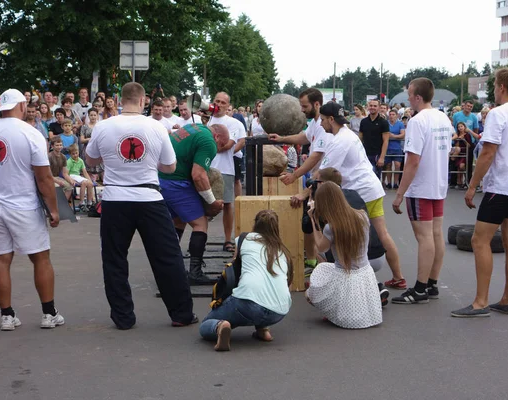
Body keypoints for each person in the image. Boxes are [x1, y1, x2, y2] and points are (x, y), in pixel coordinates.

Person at [85, 82, 196, 329]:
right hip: (148, 197)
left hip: (115, 198)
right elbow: (170, 167)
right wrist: (149, 162)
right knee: (167, 257)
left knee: (114, 259)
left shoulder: (103, 126)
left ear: (120, 99)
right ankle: (181, 313)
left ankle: (123, 317)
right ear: (144, 100)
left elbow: (91, 160)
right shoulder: (156, 127)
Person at [0, 89, 64, 331]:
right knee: (41, 258)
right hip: (23, 205)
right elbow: (44, 178)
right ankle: (48, 313)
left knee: (1, 259)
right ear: (21, 106)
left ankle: (7, 315)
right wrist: (53, 209)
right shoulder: (30, 133)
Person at [451, 68, 508, 318]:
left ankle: (480, 302)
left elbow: (488, 152)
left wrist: (473, 185)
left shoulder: (499, 114)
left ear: (501, 87)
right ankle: (507, 299)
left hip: (501, 186)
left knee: (479, 240)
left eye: (495, 85)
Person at [318, 102, 407, 290]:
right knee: (382, 234)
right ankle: (398, 277)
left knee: (353, 238)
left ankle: (364, 283)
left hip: (361, 192)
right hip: (371, 187)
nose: (321, 124)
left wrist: (304, 193)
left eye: (323, 120)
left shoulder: (339, 140)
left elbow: (323, 173)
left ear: (331, 119)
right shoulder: (348, 134)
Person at [391, 78, 452, 305]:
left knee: (424, 238)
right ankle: (431, 283)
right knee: (436, 235)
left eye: (409, 94)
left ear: (418, 97)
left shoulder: (417, 122)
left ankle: (419, 289)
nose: (408, 98)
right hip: (438, 185)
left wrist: (400, 193)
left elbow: (413, 161)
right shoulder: (443, 118)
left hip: (421, 187)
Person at [199, 210, 293, 351]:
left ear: (255, 224)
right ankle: (263, 330)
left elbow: (235, 269)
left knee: (205, 325)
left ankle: (220, 326)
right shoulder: (282, 251)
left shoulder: (243, 239)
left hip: (247, 305)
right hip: (279, 311)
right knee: (264, 290)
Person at [268, 88, 331, 272]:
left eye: (304, 106)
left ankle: (328, 264)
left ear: (317, 104)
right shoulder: (315, 122)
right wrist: (282, 138)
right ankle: (312, 261)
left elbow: (315, 156)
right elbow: (304, 137)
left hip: (324, 181)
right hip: (316, 179)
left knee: (322, 225)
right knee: (310, 222)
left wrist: (294, 175)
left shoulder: (323, 125)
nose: (302, 110)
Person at [305, 182, 383, 329]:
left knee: (312, 289)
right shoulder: (362, 216)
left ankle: (333, 310)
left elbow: (320, 247)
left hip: (343, 275)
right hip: (365, 273)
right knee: (326, 270)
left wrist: (313, 219)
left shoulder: (331, 227)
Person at [159, 123, 228, 285]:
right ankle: (195, 273)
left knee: (178, 220)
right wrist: (212, 202)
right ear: (217, 136)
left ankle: (169, 270)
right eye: (221, 145)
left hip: (162, 178)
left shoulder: (193, 127)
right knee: (200, 224)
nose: (218, 150)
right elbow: (198, 175)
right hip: (176, 182)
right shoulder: (209, 141)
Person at [207, 92, 246, 252]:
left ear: (228, 105)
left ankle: (228, 239)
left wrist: (209, 147)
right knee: (200, 204)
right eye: (217, 101)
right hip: (204, 167)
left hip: (225, 168)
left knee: (227, 204)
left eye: (223, 102)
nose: (220, 104)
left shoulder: (233, 123)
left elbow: (228, 144)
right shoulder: (206, 119)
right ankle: (200, 237)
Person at [359, 99, 389, 179]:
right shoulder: (363, 121)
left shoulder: (383, 122)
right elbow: (360, 139)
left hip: (377, 155)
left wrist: (382, 157)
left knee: (375, 179)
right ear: (368, 107)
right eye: (371, 105)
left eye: (375, 106)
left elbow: (386, 141)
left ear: (379, 108)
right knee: (364, 178)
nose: (372, 107)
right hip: (365, 155)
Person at [67, 144, 95, 211]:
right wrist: (71, 180)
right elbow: (67, 173)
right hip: (72, 176)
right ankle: (81, 202)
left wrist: (90, 180)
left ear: (78, 152)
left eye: (76, 153)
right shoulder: (69, 161)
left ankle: (89, 202)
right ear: (70, 154)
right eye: (73, 154)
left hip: (78, 176)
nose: (75, 155)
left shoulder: (80, 161)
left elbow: (85, 172)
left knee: (90, 184)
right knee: (84, 182)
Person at [385, 109, 405, 189]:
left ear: (396, 115)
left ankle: (396, 183)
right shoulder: (386, 123)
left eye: (393, 114)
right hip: (387, 147)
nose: (391, 116)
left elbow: (402, 134)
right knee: (388, 165)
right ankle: (389, 183)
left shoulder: (400, 124)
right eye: (390, 114)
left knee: (397, 165)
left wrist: (393, 136)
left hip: (397, 148)